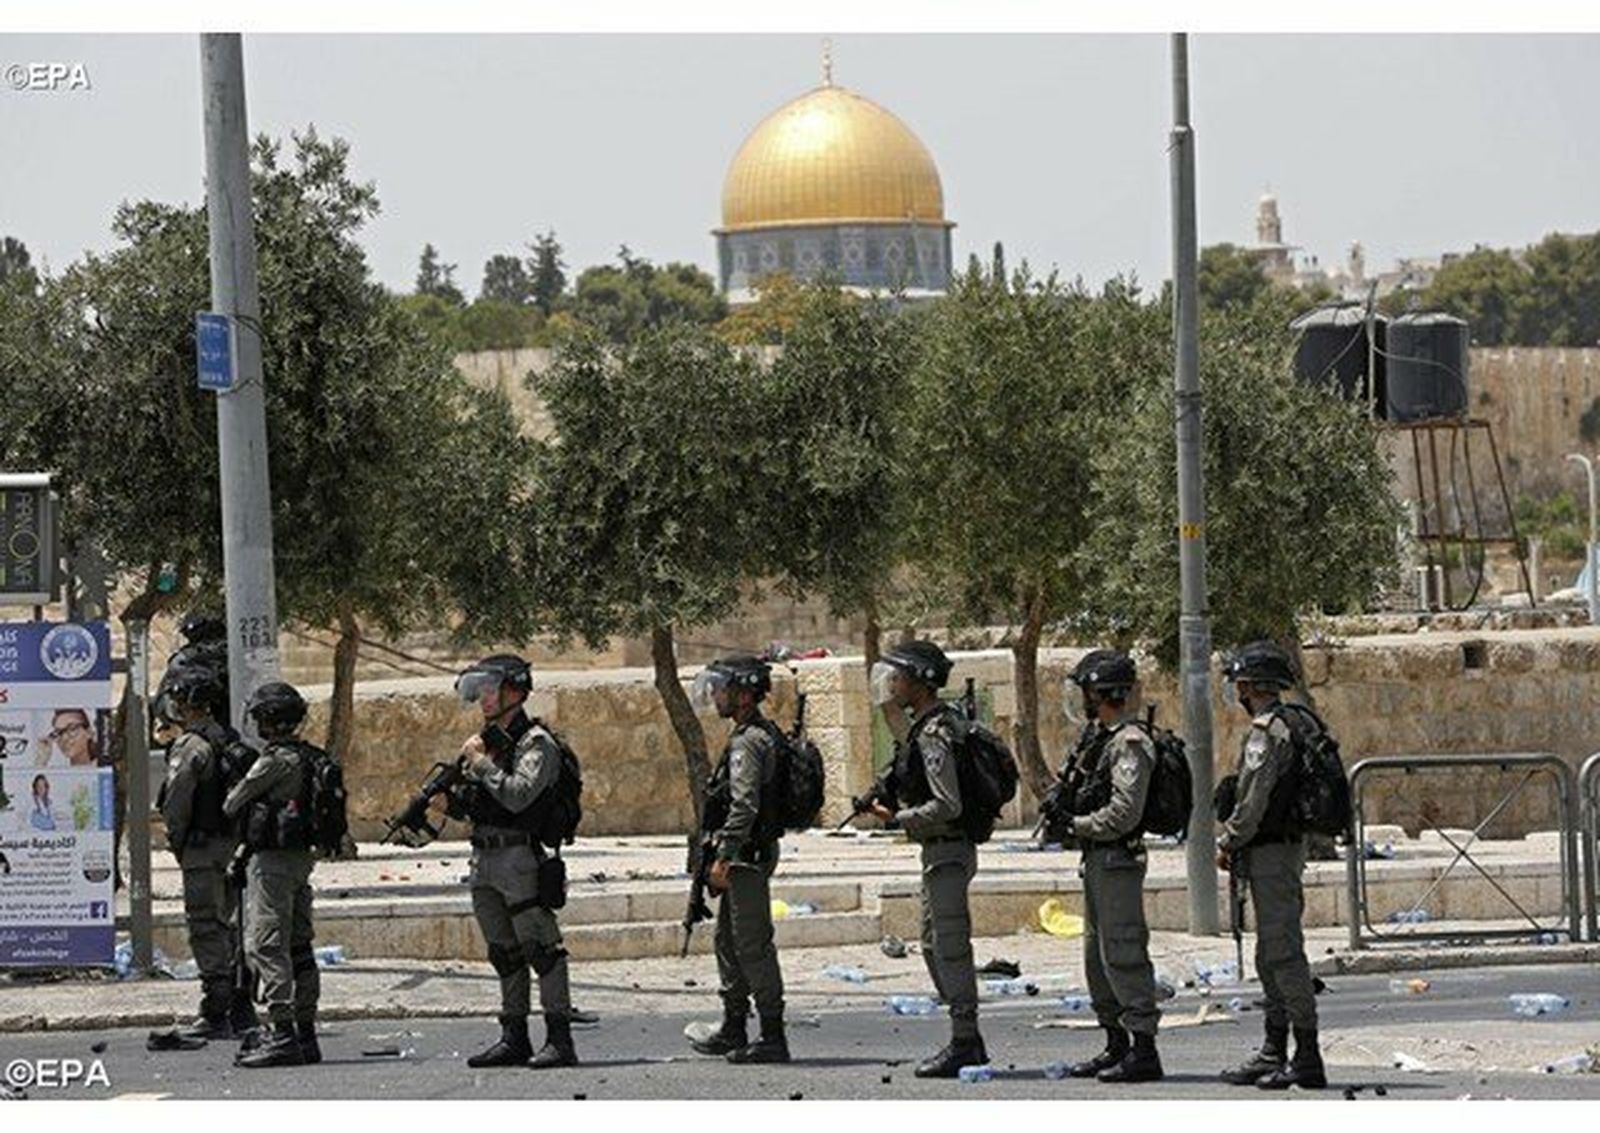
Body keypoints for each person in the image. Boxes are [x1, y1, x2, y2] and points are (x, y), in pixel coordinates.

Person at [443, 654, 578, 1070]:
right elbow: (482, 802)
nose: (483, 699)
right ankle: (513, 1036)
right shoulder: (491, 741)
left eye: (491, 690)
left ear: (515, 692)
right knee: (504, 952)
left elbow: (519, 795)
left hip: (519, 859)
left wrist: (480, 762)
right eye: (480, 690)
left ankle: (559, 1039)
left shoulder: (535, 743)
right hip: (484, 857)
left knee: (541, 949)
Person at [861, 640, 986, 1078]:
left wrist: (898, 820)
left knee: (950, 945)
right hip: (938, 850)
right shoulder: (927, 726)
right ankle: (965, 1036)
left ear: (919, 681)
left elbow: (947, 804)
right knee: (933, 944)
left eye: (899, 677)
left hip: (948, 848)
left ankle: (966, 1040)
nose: (893, 684)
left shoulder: (936, 733)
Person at [1217, 640, 1326, 1091]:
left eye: (1240, 685)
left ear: (1253, 686)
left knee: (1283, 952)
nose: (1237, 693)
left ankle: (1308, 1055)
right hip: (1276, 851)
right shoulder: (1291, 722)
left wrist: (1228, 839)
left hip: (1271, 853)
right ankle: (1273, 1049)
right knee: (1268, 954)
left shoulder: (1267, 731)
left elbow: (1253, 801)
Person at [1054, 650, 1163, 1083]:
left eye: (1086, 691)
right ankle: (1115, 1043)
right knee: (1097, 957)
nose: (1081, 699)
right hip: (1099, 858)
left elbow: (1125, 812)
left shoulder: (1130, 742)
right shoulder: (1101, 739)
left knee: (1123, 952)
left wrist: (1076, 824)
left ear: (1100, 693)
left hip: (1118, 858)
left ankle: (1144, 1049)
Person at [685, 654, 789, 1064]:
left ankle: (772, 1035)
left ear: (744, 695)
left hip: (745, 858)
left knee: (752, 945)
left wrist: (724, 855)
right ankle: (733, 1027)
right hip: (745, 854)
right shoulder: (752, 734)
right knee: (728, 941)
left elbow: (744, 806)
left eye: (722, 688)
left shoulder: (749, 742)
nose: (715, 696)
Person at [223, 682, 324, 1068]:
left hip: (273, 864)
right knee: (300, 946)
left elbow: (233, 803)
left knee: (267, 944)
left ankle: (283, 1033)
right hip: (300, 860)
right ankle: (306, 1034)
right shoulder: (312, 756)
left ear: (267, 720)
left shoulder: (275, 761)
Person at [158, 670, 258, 1041]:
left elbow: (177, 801)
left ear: (185, 704)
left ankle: (216, 1008)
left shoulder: (190, 746)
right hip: (232, 846)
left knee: (204, 925)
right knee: (228, 924)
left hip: (201, 849)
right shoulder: (229, 739)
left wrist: (178, 843)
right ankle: (240, 1003)